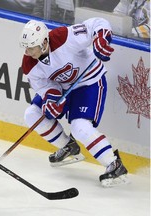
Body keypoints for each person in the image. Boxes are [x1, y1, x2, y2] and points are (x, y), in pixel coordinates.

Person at [18, 18, 128, 187]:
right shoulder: (29, 64)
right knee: (31, 114)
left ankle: (114, 164)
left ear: (44, 42)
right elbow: (44, 86)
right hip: (62, 87)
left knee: (79, 127)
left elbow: (97, 23)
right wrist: (51, 98)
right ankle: (69, 147)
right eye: (26, 47)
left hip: (89, 82)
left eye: (31, 47)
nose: (27, 51)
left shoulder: (63, 37)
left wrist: (101, 37)